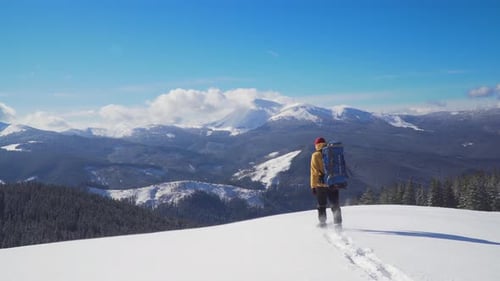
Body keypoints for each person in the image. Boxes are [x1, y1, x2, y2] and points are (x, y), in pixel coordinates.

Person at [310, 137, 342, 226]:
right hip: (333, 182)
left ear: (316, 145)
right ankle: (338, 223)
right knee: (335, 204)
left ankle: (322, 223)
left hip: (321, 184)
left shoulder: (315, 155)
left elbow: (314, 172)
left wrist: (313, 186)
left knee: (321, 205)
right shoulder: (332, 152)